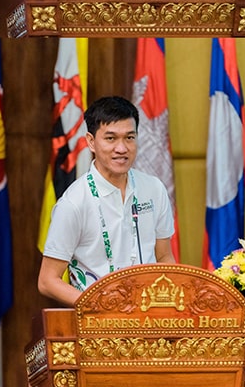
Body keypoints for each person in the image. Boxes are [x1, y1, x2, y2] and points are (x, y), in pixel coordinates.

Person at [38, 95, 175, 306]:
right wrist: (101, 309)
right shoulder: (74, 203)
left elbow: (164, 256)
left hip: (150, 319)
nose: (122, 148)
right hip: (98, 326)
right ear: (91, 142)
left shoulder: (154, 189)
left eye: (130, 137)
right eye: (111, 139)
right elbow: (47, 281)